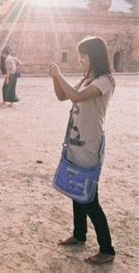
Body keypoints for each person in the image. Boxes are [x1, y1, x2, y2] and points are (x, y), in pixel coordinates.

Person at [48, 36, 116, 265]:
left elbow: (76, 97)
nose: (80, 60)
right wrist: (54, 78)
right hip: (76, 142)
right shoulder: (89, 78)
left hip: (89, 144)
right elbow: (62, 96)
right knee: (76, 190)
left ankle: (107, 249)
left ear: (94, 56)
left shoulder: (105, 81)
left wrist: (59, 75)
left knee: (89, 198)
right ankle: (79, 234)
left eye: (83, 56)